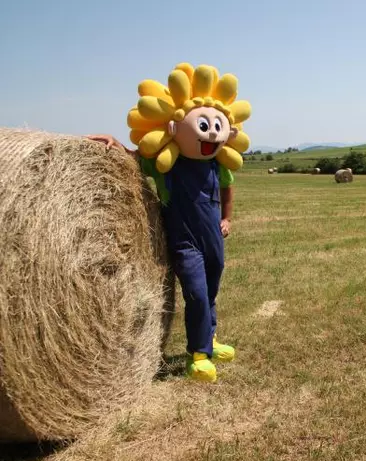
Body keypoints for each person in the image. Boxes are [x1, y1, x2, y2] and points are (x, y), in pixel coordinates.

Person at [87, 63, 252, 383]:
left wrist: (227, 218)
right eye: (204, 124)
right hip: (184, 241)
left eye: (218, 125)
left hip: (213, 239)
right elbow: (135, 156)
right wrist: (114, 142)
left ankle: (210, 338)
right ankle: (199, 355)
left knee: (212, 288)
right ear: (174, 127)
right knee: (197, 293)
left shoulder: (218, 166)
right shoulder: (168, 164)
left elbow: (229, 189)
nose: (212, 132)